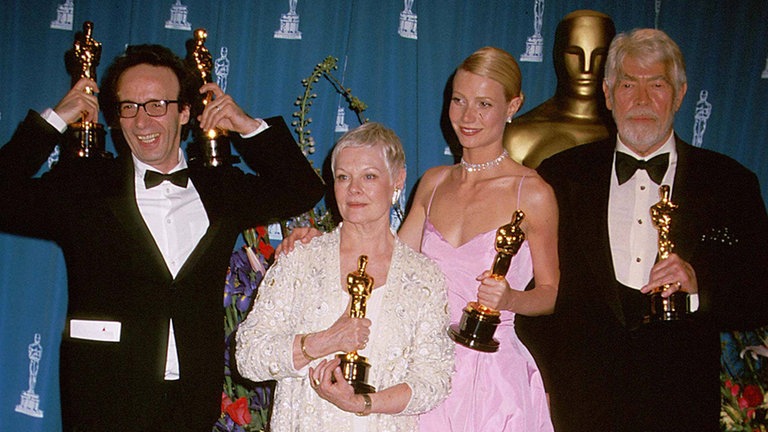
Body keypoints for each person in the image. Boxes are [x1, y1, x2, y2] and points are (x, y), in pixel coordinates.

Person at [0, 44, 324, 431]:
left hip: (192, 400)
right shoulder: (84, 188)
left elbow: (302, 189)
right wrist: (54, 120)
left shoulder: (220, 188)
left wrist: (244, 124)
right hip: (103, 400)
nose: (142, 122)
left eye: (157, 105)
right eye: (129, 107)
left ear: (185, 111)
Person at [517, 28, 768, 431]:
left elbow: (760, 291)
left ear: (681, 94)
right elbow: (532, 288)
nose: (642, 100)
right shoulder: (559, 176)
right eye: (629, 84)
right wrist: (540, 379)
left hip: (681, 405)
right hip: (578, 402)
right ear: (608, 92)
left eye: (657, 85)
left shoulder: (730, 182)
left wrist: (698, 284)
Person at [235, 122, 454, 431]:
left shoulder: (423, 278)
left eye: (369, 176)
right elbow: (248, 356)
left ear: (398, 180)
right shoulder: (300, 259)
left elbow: (434, 381)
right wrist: (323, 341)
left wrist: (362, 404)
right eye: (343, 177)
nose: (354, 189)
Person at [397, 46, 558, 431]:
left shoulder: (532, 193)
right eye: (458, 100)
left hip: (494, 380)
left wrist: (511, 299)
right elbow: (391, 263)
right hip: (423, 369)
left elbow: (551, 293)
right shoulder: (433, 183)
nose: (467, 117)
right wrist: (319, 244)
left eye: (484, 103)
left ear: (512, 105)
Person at [504, 10, 616, 168]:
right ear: (558, 54)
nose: (586, 67)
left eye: (600, 55)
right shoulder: (517, 134)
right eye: (574, 53)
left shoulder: (628, 134)